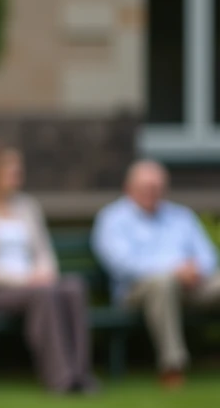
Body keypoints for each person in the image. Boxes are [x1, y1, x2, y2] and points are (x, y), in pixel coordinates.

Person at [0, 143, 97, 394]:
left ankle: (81, 374)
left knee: (73, 287)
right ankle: (60, 379)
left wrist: (45, 272)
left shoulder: (27, 206)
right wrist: (24, 279)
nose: (17, 172)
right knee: (45, 295)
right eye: (10, 167)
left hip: (35, 284)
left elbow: (42, 250)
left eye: (18, 167)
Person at [91, 160, 220, 388]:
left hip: (190, 286)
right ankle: (172, 365)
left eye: (157, 188)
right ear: (128, 188)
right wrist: (174, 269)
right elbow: (122, 265)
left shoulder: (181, 216)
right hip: (136, 291)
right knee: (163, 282)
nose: (152, 193)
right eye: (145, 188)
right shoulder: (112, 219)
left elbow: (208, 255)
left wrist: (196, 270)